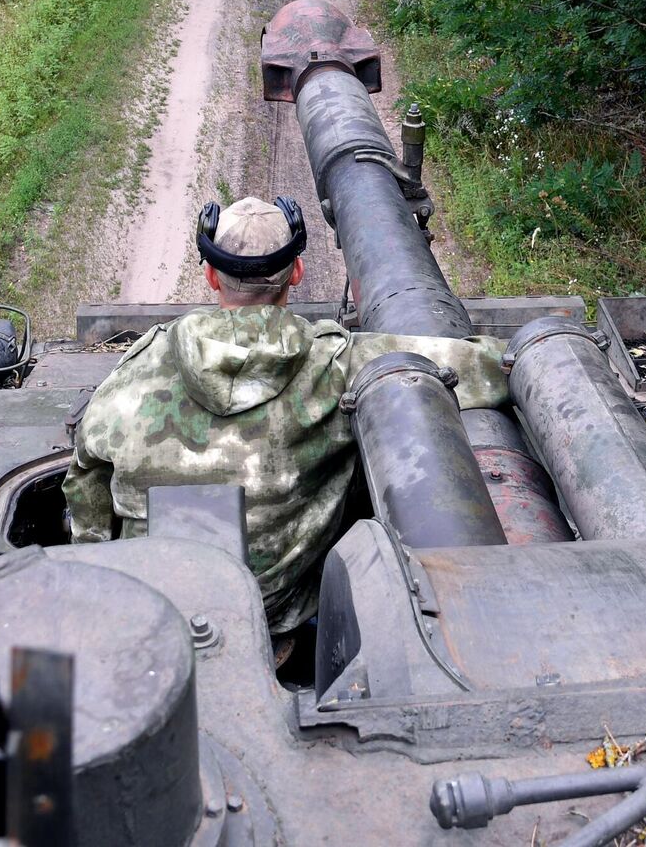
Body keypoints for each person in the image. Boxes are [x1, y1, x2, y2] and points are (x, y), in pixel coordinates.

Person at [62, 196, 509, 636]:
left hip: (150, 616)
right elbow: (477, 368)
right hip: (273, 620)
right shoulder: (336, 366)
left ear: (211, 276)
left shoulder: (133, 373)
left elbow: (84, 477)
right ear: (297, 271)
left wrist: (99, 575)